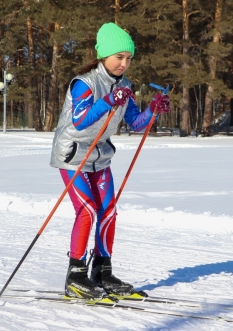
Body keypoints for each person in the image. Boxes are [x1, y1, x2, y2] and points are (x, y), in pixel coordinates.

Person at [50, 22, 170, 300]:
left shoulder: (125, 86)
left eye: (128, 58)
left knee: (109, 211)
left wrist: (153, 109)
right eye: (119, 57)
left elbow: (135, 123)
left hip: (100, 157)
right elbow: (79, 122)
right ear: (104, 55)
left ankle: (102, 272)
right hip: (72, 155)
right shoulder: (85, 83)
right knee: (88, 210)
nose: (124, 64)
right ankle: (75, 275)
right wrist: (107, 100)